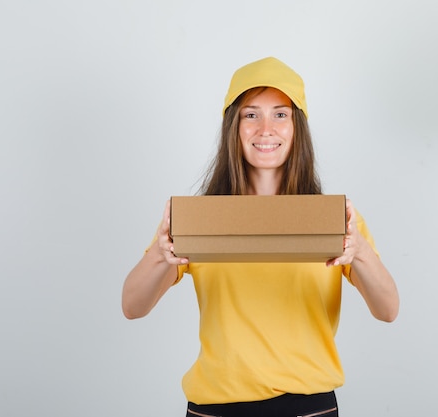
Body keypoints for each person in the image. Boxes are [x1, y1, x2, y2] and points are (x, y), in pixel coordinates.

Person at [122, 57, 399, 417]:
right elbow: (132, 306)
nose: (265, 128)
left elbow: (388, 310)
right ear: (233, 128)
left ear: (297, 127)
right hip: (214, 407)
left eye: (280, 114)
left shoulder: (334, 218)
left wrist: (359, 251)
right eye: (251, 115)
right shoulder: (202, 218)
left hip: (308, 407)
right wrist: (160, 254)